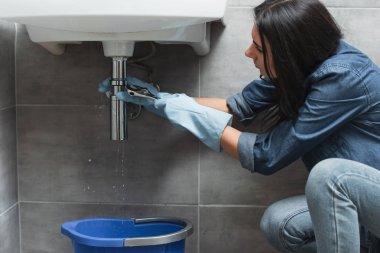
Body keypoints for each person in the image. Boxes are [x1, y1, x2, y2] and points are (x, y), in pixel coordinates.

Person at [98, 0, 380, 252]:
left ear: (287, 51)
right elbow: (237, 107)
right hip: (356, 206)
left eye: (258, 48)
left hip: (368, 195)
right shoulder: (303, 64)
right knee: (279, 224)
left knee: (330, 176)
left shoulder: (343, 78)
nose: (248, 53)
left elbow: (267, 154)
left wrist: (204, 122)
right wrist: (162, 99)